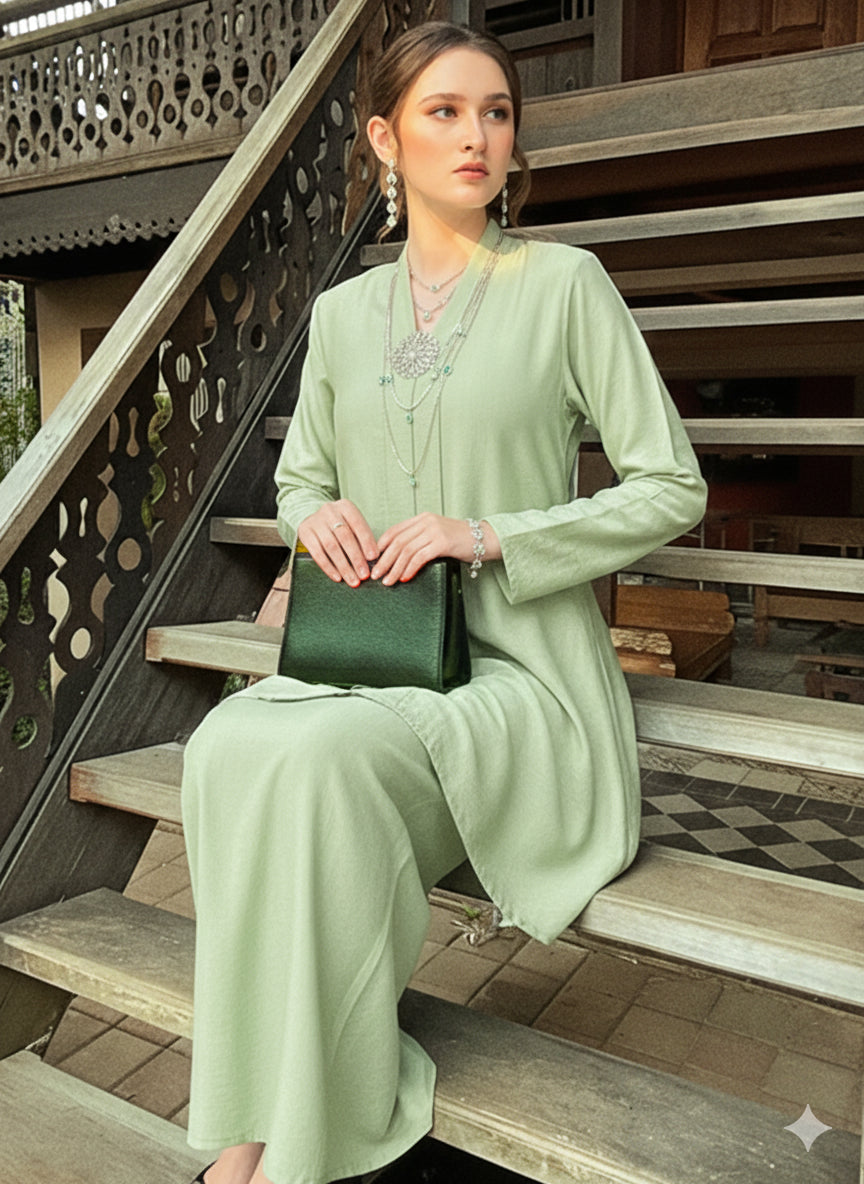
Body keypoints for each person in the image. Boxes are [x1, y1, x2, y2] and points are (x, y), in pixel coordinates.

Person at [180, 19, 707, 1184]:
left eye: (497, 112)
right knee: (224, 746)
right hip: (377, 655)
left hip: (520, 678)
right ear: (385, 140)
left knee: (318, 763)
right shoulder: (342, 314)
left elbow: (673, 485)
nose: (478, 136)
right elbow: (302, 476)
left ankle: (292, 1143)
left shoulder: (566, 286)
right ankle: (258, 1117)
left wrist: (491, 534)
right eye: (445, 111)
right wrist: (314, 513)